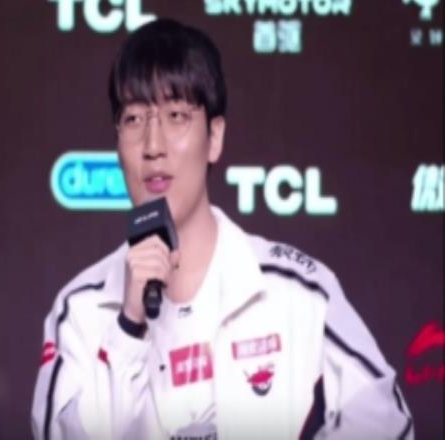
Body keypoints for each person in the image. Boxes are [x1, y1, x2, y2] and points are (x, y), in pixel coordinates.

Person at [32, 19, 413, 440]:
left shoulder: (299, 292)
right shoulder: (80, 312)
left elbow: (389, 425)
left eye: (176, 115)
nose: (153, 145)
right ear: (117, 141)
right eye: (135, 118)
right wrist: (128, 329)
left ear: (214, 137)